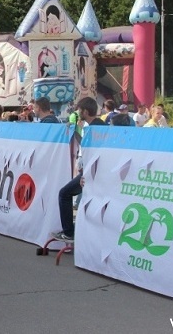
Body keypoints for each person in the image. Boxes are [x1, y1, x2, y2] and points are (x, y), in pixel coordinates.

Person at [52, 97, 106, 242]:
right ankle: (72, 232)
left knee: (64, 194)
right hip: (92, 172)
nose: (78, 112)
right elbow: (86, 146)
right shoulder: (96, 125)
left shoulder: (95, 128)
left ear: (86, 111)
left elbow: (95, 151)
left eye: (80, 110)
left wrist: (87, 174)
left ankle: (69, 233)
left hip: (92, 173)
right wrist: (75, 131)